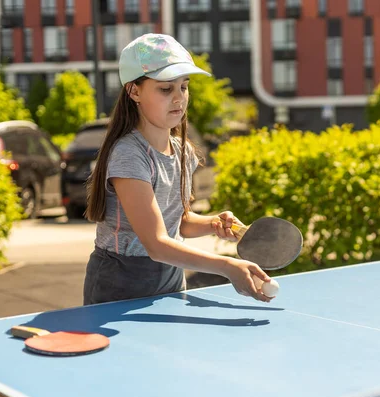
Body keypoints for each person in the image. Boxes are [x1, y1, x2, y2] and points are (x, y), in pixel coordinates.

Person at [82, 33, 272, 305]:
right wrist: (228, 267)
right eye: (165, 88)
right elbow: (157, 244)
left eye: (183, 87)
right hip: (121, 283)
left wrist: (213, 222)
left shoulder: (183, 152)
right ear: (134, 91)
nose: (178, 98)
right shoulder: (128, 154)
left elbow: (178, 222)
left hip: (170, 276)